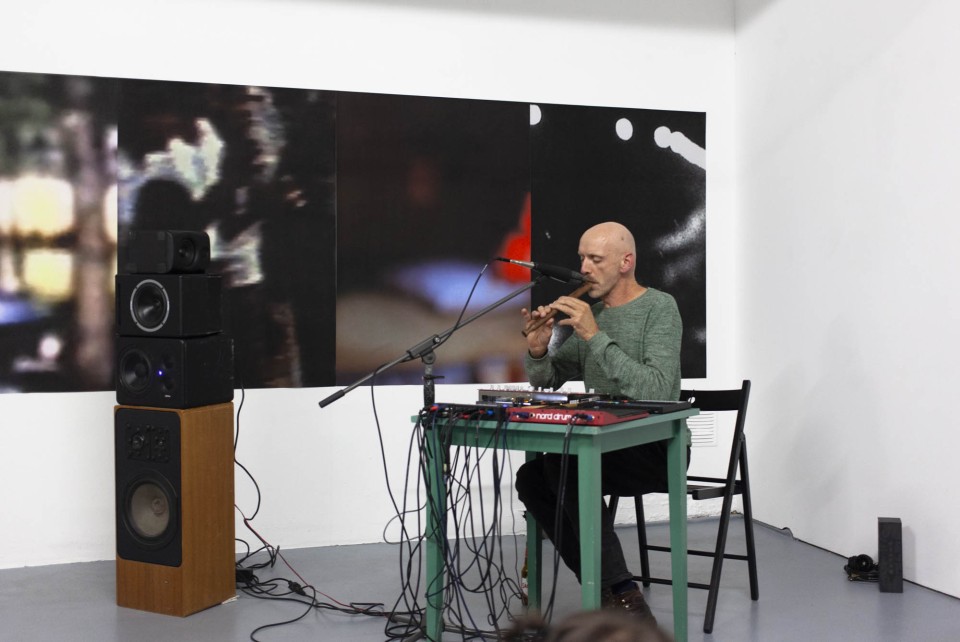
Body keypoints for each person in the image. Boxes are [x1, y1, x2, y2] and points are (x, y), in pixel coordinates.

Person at [515, 221, 683, 622]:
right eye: (582, 259)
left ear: (626, 262)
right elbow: (549, 380)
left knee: (566, 465)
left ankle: (620, 593)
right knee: (531, 477)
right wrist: (538, 351)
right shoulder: (595, 314)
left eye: (595, 259)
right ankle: (610, 588)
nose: (584, 269)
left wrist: (595, 336)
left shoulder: (660, 308)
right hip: (602, 447)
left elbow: (658, 388)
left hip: (654, 447)